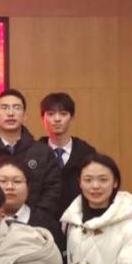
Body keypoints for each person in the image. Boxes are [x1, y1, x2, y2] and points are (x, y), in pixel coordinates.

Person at [0, 89, 62, 219]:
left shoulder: (43, 152)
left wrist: (35, 219)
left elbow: (53, 191)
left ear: (25, 116)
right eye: (4, 108)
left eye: (17, 108)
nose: (11, 113)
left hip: (34, 225)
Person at [38, 92, 97, 220]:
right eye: (51, 114)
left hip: (79, 221)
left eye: (63, 114)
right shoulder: (34, 154)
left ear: (72, 117)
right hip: (42, 222)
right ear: (42, 118)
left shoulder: (87, 153)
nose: (57, 119)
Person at [0, 157, 66, 257]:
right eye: (3, 181)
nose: (10, 187)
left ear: (28, 186)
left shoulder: (46, 223)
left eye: (17, 181)